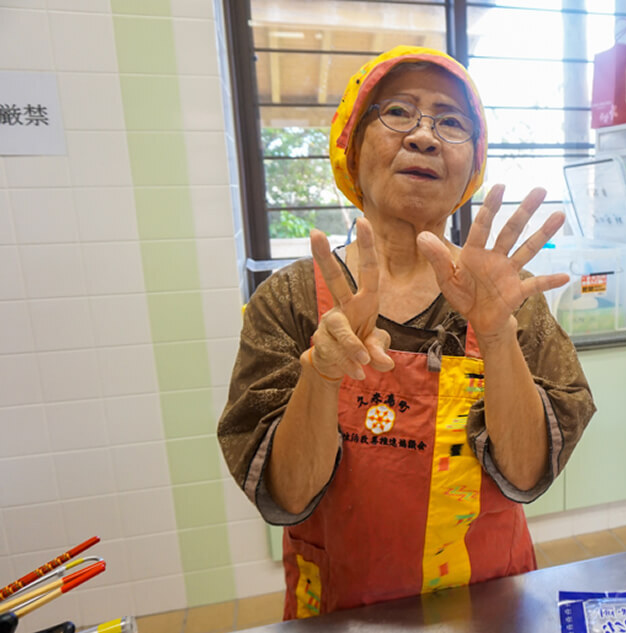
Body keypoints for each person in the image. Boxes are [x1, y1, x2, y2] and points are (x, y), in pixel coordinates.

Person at [217, 45, 595, 618]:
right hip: (343, 613)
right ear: (351, 142)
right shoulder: (293, 300)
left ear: (473, 166)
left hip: (485, 603)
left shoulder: (505, 298)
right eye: (397, 112)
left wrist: (495, 336)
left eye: (450, 121)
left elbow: (526, 474)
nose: (424, 137)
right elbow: (285, 496)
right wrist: (321, 374)